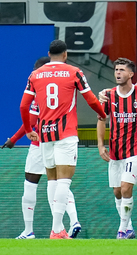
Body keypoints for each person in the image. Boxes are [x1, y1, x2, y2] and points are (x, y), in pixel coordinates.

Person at [20, 40, 106, 239]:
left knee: (52, 180)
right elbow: (91, 99)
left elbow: (24, 107)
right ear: (65, 54)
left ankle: (57, 229)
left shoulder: (35, 75)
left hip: (44, 135)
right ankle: (57, 229)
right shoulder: (74, 72)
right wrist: (102, 114)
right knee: (64, 182)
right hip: (65, 133)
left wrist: (27, 130)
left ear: (49, 53)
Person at [2, 56, 81, 239]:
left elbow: (29, 122)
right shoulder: (65, 90)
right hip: (63, 140)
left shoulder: (38, 94)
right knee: (61, 184)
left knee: (31, 185)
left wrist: (13, 139)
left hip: (41, 144)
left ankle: (29, 230)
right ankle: (71, 221)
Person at [97, 58, 137, 239]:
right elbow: (101, 119)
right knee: (117, 191)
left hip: (135, 149)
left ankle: (122, 230)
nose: (118, 73)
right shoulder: (108, 95)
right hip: (115, 150)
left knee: (126, 188)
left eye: (122, 70)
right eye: (116, 70)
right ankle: (129, 227)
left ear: (131, 74)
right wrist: (101, 145)